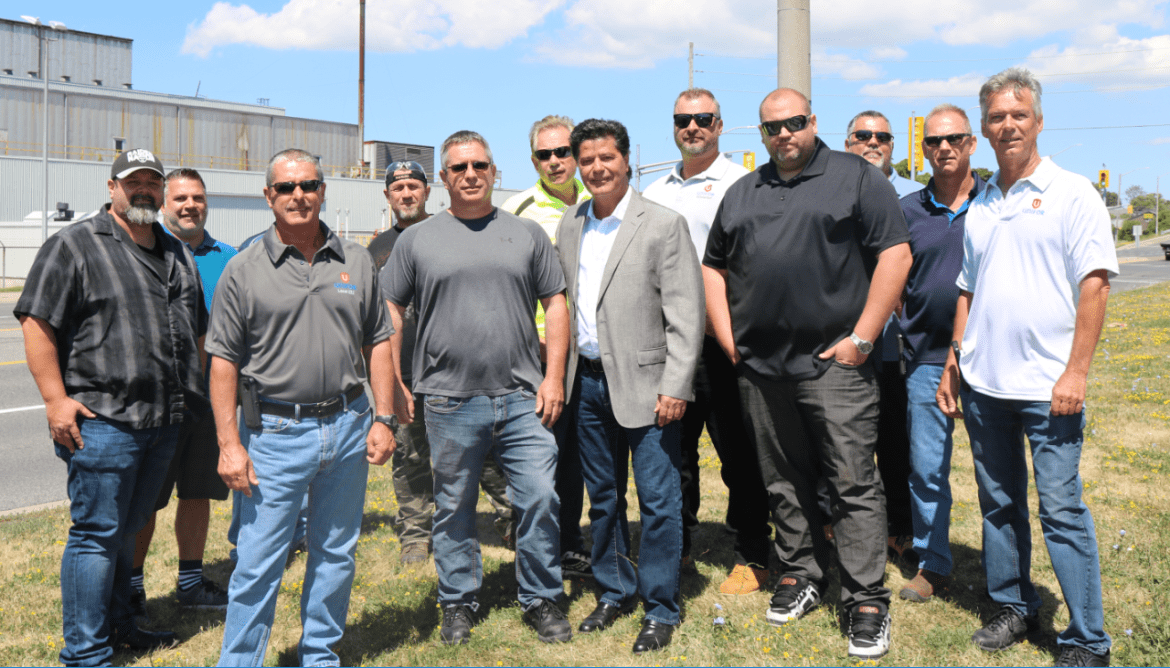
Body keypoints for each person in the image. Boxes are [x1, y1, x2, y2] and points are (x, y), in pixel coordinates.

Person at [703, 88, 911, 660]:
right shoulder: (744, 191)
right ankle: (799, 574)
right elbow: (713, 266)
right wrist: (728, 339)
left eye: (794, 123)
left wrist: (862, 339)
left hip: (835, 366)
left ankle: (866, 598)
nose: (783, 134)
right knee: (783, 480)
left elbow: (895, 254)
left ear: (812, 122)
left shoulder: (858, 178)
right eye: (772, 127)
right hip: (763, 368)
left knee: (852, 483)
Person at [937, 67, 1117, 668]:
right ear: (983, 130)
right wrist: (955, 362)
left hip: (1049, 389)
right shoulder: (984, 202)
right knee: (998, 504)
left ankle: (1087, 637)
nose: (1007, 124)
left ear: (1038, 121)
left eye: (1018, 114)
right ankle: (1013, 605)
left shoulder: (1072, 193)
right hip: (986, 386)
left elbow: (1094, 286)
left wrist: (1076, 374)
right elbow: (968, 289)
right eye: (996, 117)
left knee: (1061, 510)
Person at [207, 149, 398, 667]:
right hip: (274, 433)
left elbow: (378, 340)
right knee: (258, 561)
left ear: (322, 191)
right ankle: (240, 661)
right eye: (286, 187)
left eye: (309, 185)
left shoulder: (355, 261)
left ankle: (319, 654)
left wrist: (384, 417)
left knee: (336, 553)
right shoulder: (243, 269)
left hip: (349, 425)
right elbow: (222, 362)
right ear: (268, 196)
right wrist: (229, 446)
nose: (299, 196)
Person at [16, 148, 206, 665]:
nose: (143, 189)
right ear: (111, 186)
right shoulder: (74, 246)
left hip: (164, 420)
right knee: (96, 536)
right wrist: (56, 401)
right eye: (133, 182)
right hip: (104, 421)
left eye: (152, 182)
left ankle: (122, 624)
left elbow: (196, 330)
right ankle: (85, 650)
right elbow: (37, 323)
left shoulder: (176, 252)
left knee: (130, 530)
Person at [383, 131, 571, 646]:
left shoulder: (527, 233)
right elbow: (390, 309)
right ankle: (459, 601)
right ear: (443, 177)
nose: (470, 174)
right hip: (446, 398)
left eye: (480, 165)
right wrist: (396, 381)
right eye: (459, 167)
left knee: (538, 497)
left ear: (495, 172)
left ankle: (541, 597)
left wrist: (553, 376)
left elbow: (556, 302)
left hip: (522, 397)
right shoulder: (416, 240)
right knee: (454, 505)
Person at [556, 118, 704, 654]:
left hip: (650, 388)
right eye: (588, 160)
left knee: (660, 502)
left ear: (627, 161)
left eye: (607, 158)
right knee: (604, 498)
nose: (597, 168)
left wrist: (676, 385)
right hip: (589, 385)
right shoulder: (570, 224)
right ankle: (614, 589)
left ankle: (661, 606)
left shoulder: (662, 223)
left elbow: (687, 315)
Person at [642, 88, 770, 595]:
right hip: (670, 344)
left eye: (703, 119)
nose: (692, 127)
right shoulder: (653, 192)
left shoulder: (743, 185)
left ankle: (752, 552)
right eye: (682, 119)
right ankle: (678, 547)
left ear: (720, 125)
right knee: (674, 454)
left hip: (724, 339)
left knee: (739, 453)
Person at [129, 168, 234, 620]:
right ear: (164, 204)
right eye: (181, 198)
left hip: (210, 402)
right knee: (147, 498)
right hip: (157, 404)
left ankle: (191, 581)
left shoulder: (229, 259)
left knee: (198, 492)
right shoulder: (141, 252)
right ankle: (131, 586)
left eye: (198, 198)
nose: (190, 206)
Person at [896, 104, 984, 603]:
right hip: (926, 360)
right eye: (933, 141)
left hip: (989, 360)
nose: (944, 147)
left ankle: (1005, 567)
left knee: (995, 472)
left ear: (971, 143)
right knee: (927, 468)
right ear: (923, 148)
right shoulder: (908, 209)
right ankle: (933, 562)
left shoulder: (996, 203)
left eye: (954, 138)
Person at [502, 115, 593, 580]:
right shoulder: (517, 209)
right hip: (537, 356)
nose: (556, 162)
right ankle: (539, 542)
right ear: (533, 159)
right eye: (545, 154)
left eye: (563, 152)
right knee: (541, 453)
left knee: (579, 452)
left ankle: (573, 542)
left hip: (593, 354)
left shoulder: (601, 200)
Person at [844, 110, 924, 566]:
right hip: (845, 340)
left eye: (883, 136)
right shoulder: (832, 187)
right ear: (847, 140)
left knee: (897, 445)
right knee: (844, 445)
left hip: (897, 345)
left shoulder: (915, 195)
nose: (873, 142)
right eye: (863, 135)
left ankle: (902, 531)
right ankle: (842, 527)